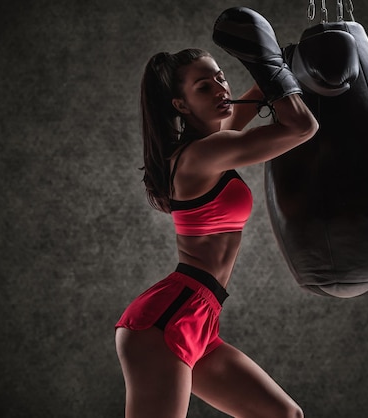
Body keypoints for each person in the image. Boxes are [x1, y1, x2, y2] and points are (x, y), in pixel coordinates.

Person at [114, 19, 318, 418]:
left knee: (284, 416)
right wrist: (271, 65)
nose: (221, 89)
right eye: (203, 87)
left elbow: (239, 115)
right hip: (164, 322)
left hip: (198, 319)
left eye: (221, 78)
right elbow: (301, 126)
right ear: (180, 105)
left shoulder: (206, 146)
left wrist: (289, 62)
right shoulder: (203, 155)